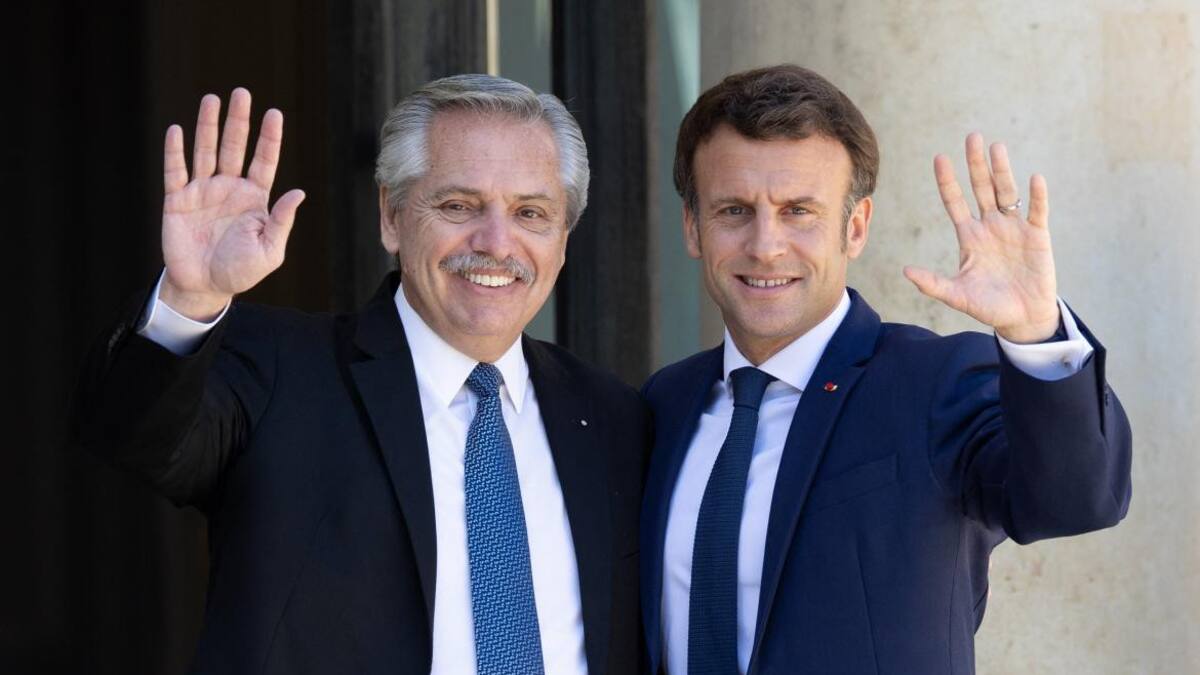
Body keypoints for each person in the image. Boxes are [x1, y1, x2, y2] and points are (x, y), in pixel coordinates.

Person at [71, 75, 648, 674]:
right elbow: (131, 439)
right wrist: (192, 298)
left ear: (563, 238)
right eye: (458, 206)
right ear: (391, 217)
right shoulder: (280, 371)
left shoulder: (612, 416)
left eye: (531, 213)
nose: (496, 242)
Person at [640, 64, 1132, 675]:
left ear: (856, 227)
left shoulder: (935, 382)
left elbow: (1075, 500)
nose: (765, 245)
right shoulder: (665, 403)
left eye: (798, 211)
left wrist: (1034, 331)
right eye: (734, 210)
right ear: (693, 227)